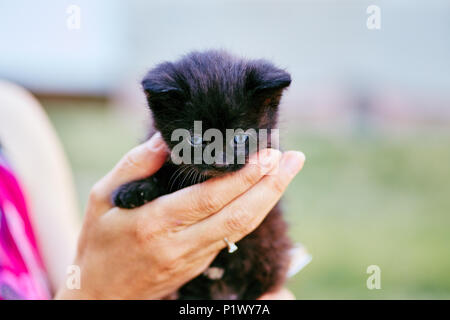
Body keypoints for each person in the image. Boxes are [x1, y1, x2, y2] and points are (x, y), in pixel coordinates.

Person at [0, 81, 305, 299]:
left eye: (236, 141)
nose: (220, 159)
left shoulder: (14, 120)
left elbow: (69, 274)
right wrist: (100, 293)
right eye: (201, 142)